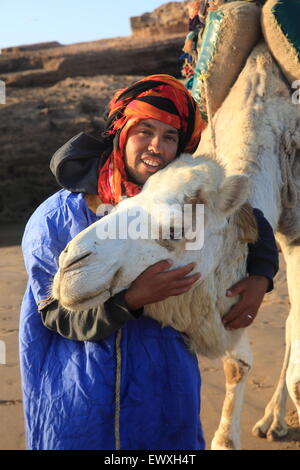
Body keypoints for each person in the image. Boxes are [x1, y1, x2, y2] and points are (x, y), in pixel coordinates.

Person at [20, 74, 278, 451]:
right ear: (121, 131)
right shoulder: (57, 218)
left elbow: (245, 218)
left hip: (165, 389)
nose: (156, 146)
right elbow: (57, 317)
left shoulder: (179, 199)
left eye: (170, 136)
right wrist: (132, 300)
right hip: (79, 395)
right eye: (145, 130)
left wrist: (261, 275)